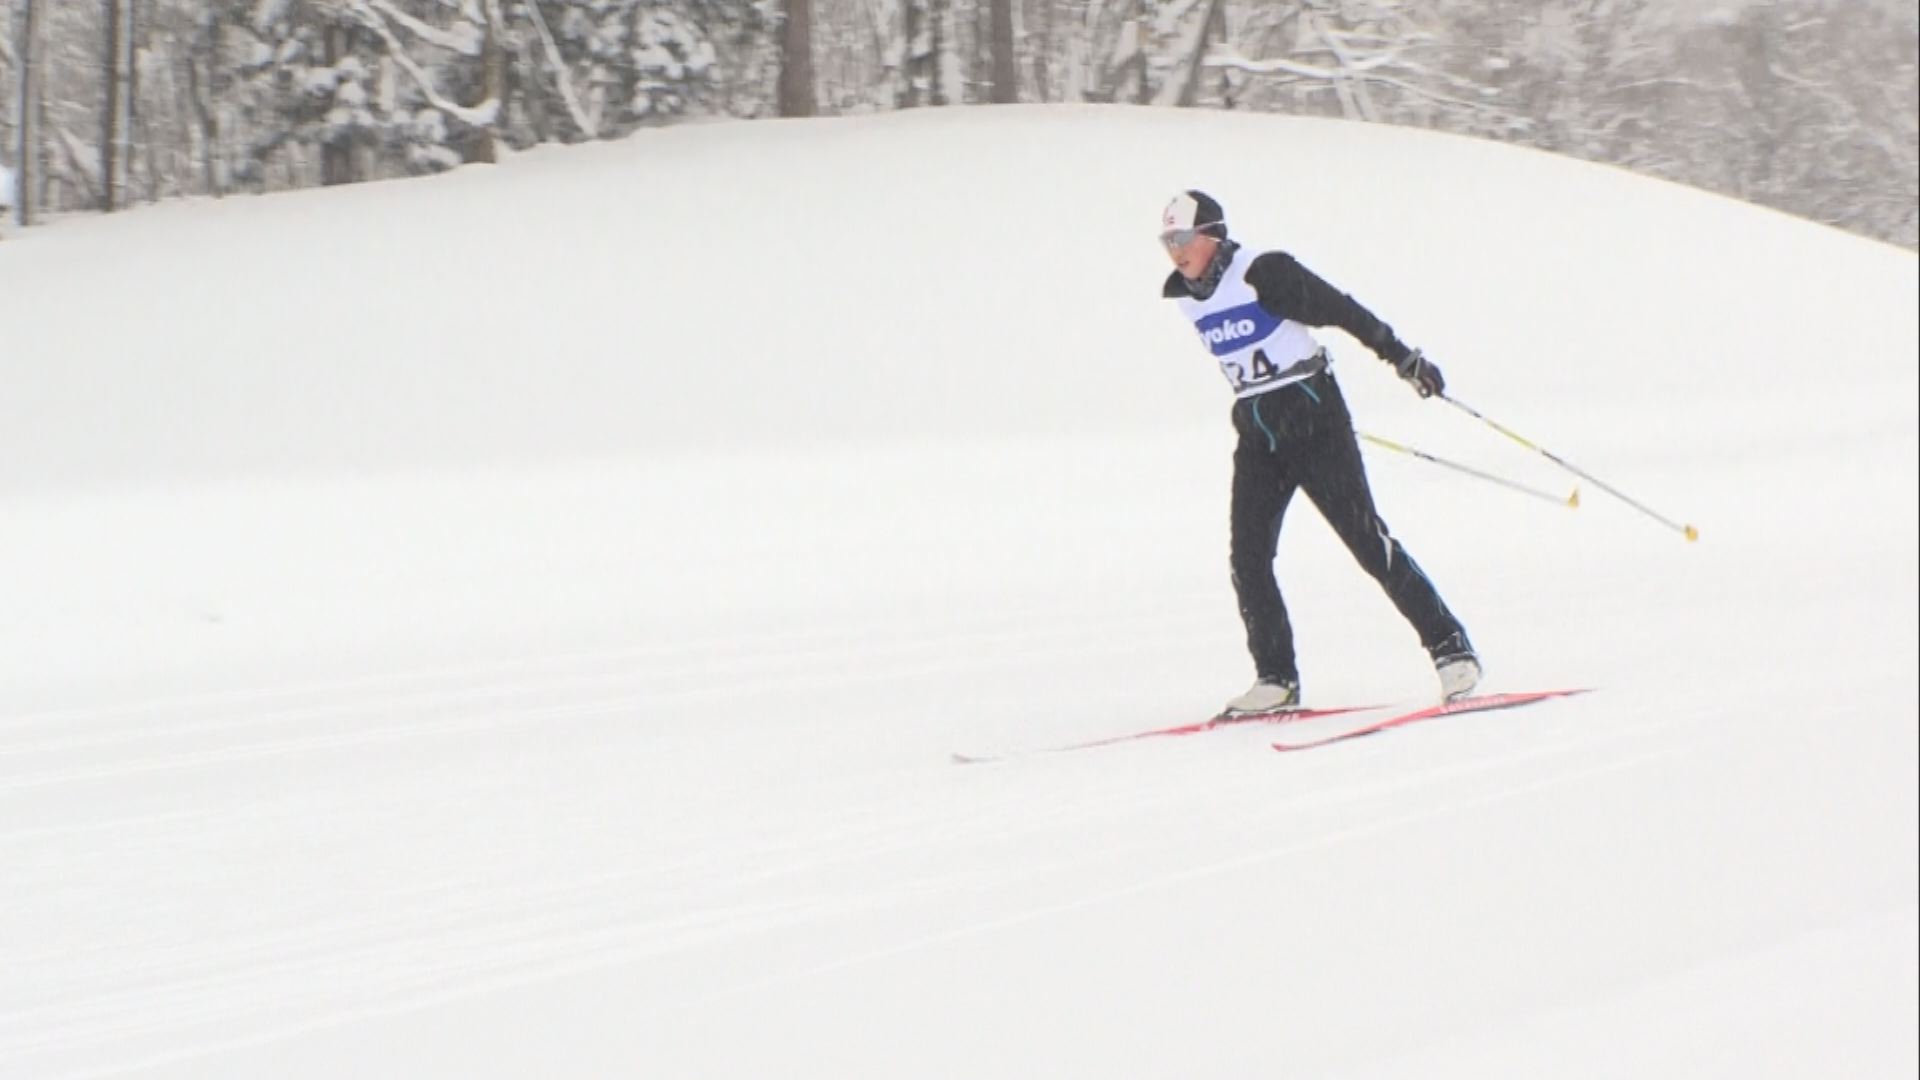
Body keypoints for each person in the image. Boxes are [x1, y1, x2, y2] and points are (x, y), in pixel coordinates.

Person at [1158, 190, 1479, 714]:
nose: (1175, 251)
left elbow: (1343, 311)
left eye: (1184, 238)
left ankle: (1451, 649)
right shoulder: (1187, 296)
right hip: (1259, 429)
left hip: (1312, 416)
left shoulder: (1264, 272)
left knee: (1367, 542)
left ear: (1212, 235)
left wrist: (1401, 357)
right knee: (1248, 557)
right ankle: (1276, 677)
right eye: (1168, 241)